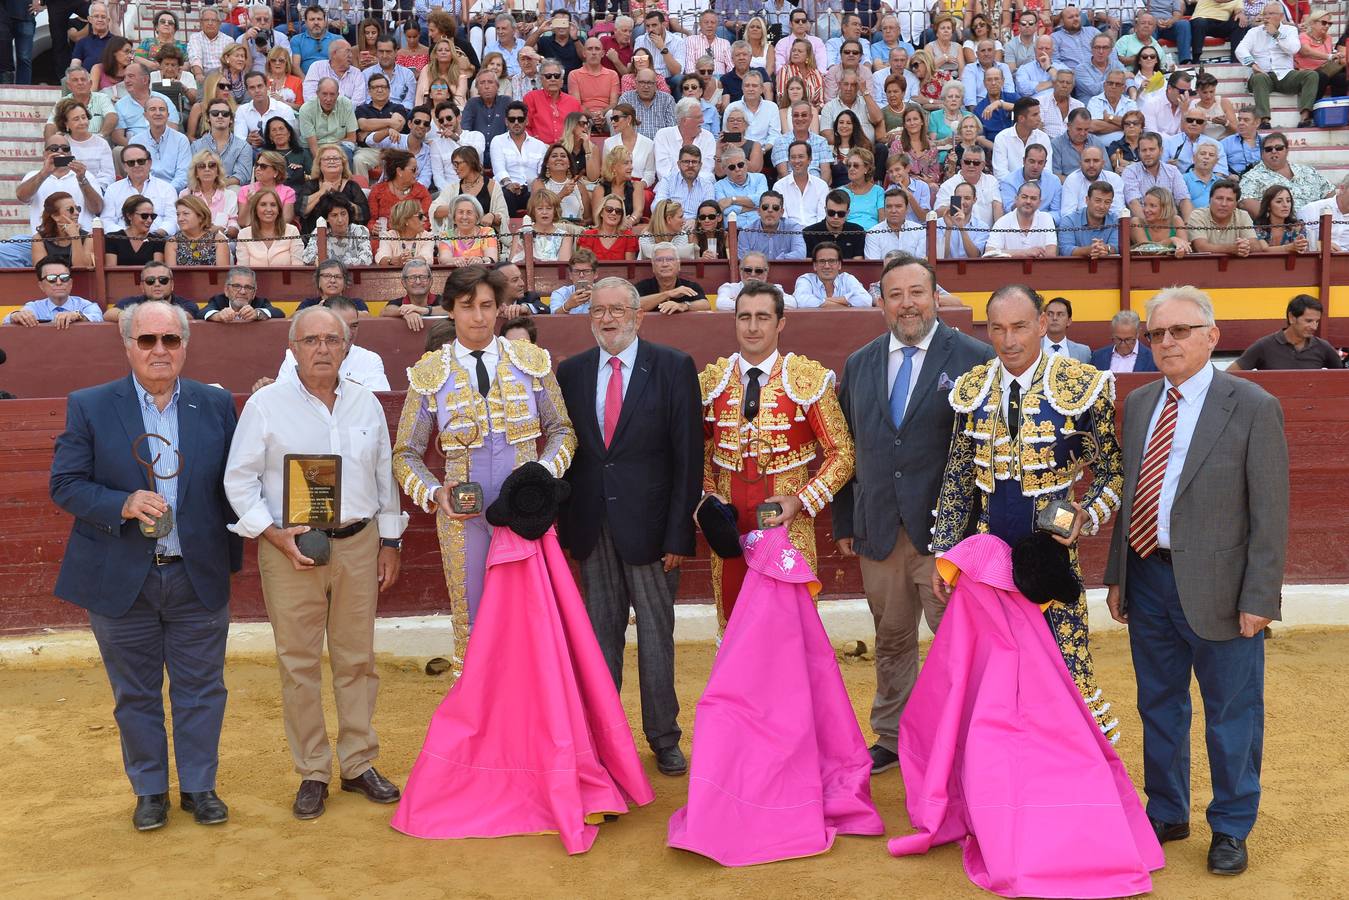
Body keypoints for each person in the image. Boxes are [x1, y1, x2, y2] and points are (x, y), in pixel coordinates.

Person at [1104, 286, 1289, 877]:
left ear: (1211, 336)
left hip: (1223, 589)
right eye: (1157, 334)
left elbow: (1270, 512)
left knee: (1232, 711)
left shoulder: (1252, 404)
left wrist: (1260, 596)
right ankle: (1168, 811)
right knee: (1158, 705)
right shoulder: (1138, 406)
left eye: (1179, 331)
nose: (1167, 343)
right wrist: (1119, 576)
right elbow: (1133, 493)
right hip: (1150, 579)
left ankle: (1231, 825)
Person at [49, 299, 238, 832]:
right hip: (120, 575)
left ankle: (199, 786)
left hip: (194, 572)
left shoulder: (215, 405)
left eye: (171, 341)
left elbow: (237, 482)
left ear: (185, 345)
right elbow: (64, 484)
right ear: (127, 345)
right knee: (134, 692)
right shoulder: (89, 404)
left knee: (202, 688)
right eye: (148, 341)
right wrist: (122, 503)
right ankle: (150, 790)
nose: (160, 351)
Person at [224, 304, 406, 821]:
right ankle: (313, 770)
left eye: (331, 339)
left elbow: (382, 474)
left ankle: (358, 762)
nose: (322, 348)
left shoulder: (366, 404)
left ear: (346, 348)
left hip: (356, 542)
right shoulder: (265, 405)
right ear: (293, 349)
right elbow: (238, 479)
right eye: (311, 340)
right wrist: (272, 534)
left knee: (357, 659)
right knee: (298, 663)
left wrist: (389, 541)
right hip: (292, 549)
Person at [932, 284, 1125, 742]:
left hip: (1051, 560)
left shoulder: (1082, 384)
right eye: (997, 328)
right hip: (987, 561)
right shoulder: (972, 389)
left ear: (1043, 324)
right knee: (992, 676)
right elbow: (958, 476)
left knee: (1064, 667)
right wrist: (943, 549)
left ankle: (1072, 777)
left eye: (1020, 326)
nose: (1009, 340)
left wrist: (1087, 514)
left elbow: (1114, 472)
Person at [832, 253, 990, 773]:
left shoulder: (973, 358)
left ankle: (959, 736)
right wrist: (845, 523)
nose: (906, 304)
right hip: (879, 530)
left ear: (935, 295)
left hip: (948, 536)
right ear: (880, 302)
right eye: (895, 294)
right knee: (891, 638)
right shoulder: (859, 363)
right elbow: (847, 449)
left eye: (916, 292)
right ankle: (893, 735)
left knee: (955, 644)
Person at [393, 266, 576, 679]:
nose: (478, 316)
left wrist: (541, 478)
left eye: (487, 306)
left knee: (532, 620)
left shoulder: (530, 361)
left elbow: (563, 431)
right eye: (467, 306)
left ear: (500, 309)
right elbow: (405, 454)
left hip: (527, 513)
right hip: (463, 520)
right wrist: (436, 493)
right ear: (450, 311)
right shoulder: (429, 373)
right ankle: (479, 727)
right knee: (472, 623)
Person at [555, 276, 703, 777]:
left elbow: (688, 458)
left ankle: (663, 737)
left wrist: (680, 535)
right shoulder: (570, 372)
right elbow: (569, 455)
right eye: (599, 310)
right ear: (589, 316)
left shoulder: (673, 366)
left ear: (638, 316)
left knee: (657, 636)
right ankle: (605, 737)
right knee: (600, 639)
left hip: (654, 529)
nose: (608, 317)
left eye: (619, 309)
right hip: (593, 527)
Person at [697, 279, 854, 628]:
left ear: (780, 323)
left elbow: (842, 453)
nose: (753, 327)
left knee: (790, 622)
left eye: (763, 317)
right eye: (744, 317)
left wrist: (800, 501)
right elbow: (696, 449)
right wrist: (707, 495)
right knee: (732, 618)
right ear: (734, 320)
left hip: (788, 521)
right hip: (729, 522)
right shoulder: (711, 382)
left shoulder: (806, 379)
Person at [1237, 3, 1318, 129]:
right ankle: (1264, 120)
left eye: (1271, 14)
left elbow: (1293, 49)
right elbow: (1240, 49)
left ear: (1281, 16)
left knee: (1311, 75)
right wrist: (1252, 64)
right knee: (1259, 77)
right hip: (1263, 74)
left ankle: (1305, 117)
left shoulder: (1290, 30)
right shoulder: (1254, 32)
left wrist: (1276, 34)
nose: (1267, 17)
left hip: (1285, 74)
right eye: (1265, 14)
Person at [16, 133, 104, 235]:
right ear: (45, 154)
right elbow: (22, 197)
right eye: (54, 149)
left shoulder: (86, 175)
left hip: (80, 238)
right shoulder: (33, 175)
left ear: (70, 152)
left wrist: (82, 179)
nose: (60, 151)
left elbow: (97, 208)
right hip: (44, 240)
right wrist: (44, 173)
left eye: (65, 148)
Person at [1229, 294, 1344, 370]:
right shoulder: (1264, 346)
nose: (1314, 327)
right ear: (1292, 318)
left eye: (1317, 321)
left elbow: (1343, 378)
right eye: (1309, 321)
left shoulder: (1323, 347)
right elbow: (1230, 374)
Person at [1238, 131, 1332, 217]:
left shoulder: (1308, 171)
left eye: (1279, 148)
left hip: (1317, 225)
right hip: (1282, 229)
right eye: (1268, 149)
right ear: (1262, 154)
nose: (1274, 151)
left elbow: (1330, 191)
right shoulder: (1252, 177)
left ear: (1287, 151)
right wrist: (1274, 223)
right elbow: (1245, 202)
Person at [3, 258, 102, 327]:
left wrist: (76, 315)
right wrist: (15, 315)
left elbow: (98, 317)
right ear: (41, 286)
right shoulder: (35, 307)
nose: (59, 283)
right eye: (51, 278)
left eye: (64, 277)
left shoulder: (84, 305)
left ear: (71, 283)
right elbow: (6, 321)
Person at [1123, 132, 1192, 221]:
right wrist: (1150, 228)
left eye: (1152, 149)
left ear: (1161, 150)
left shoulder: (1172, 171)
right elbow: (1133, 202)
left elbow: (1183, 200)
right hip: (1142, 225)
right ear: (1139, 152)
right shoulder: (1130, 171)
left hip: (1169, 224)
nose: (1148, 153)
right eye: (1144, 150)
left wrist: (1188, 227)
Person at [105, 261, 201, 324]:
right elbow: (109, 314)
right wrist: (122, 315)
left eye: (163, 280)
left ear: (172, 285)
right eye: (150, 280)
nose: (157, 284)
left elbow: (187, 316)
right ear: (142, 287)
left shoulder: (187, 304)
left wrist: (135, 316)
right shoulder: (133, 301)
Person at [985, 181, 1056, 258]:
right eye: (1024, 197)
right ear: (1016, 199)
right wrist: (1024, 253)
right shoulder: (1002, 222)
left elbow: (1051, 253)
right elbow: (989, 253)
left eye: (1033, 198)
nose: (1028, 201)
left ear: (1039, 203)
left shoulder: (1046, 218)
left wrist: (1008, 253)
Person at [792, 241, 872, 307]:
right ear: (815, 265)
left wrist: (823, 302)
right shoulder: (806, 279)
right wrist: (845, 302)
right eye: (822, 261)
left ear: (839, 265)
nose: (827, 266)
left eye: (832, 261)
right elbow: (801, 301)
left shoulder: (847, 278)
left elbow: (866, 300)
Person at [236, 189, 304, 267]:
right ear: (255, 209)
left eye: (273, 205)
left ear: (279, 210)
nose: (269, 209)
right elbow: (242, 271)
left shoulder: (292, 231)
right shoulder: (243, 234)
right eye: (263, 204)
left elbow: (297, 267)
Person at [992, 97, 1052, 179]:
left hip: (1038, 188)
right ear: (1021, 118)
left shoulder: (1043, 138)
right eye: (1035, 115)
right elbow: (1000, 174)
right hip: (1010, 188)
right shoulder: (1002, 138)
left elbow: (1047, 171)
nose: (1039, 119)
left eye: (1039, 114)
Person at [635, 243, 706, 313]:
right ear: (653, 266)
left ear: (679, 265)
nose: (665, 264)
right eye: (659, 260)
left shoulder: (690, 286)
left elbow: (706, 305)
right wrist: (668, 294)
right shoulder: (642, 286)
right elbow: (633, 306)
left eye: (670, 259)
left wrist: (683, 306)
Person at [1058, 181, 1122, 258]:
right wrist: (1089, 250)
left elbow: (1117, 246)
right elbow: (1065, 249)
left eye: (1107, 202)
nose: (1102, 206)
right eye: (1098, 201)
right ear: (1087, 200)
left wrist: (1105, 249)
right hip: (1075, 267)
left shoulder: (1115, 220)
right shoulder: (1069, 220)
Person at [31, 192, 93, 269]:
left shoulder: (89, 237)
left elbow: (82, 269)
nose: (77, 213)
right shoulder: (39, 238)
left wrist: (75, 237)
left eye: (77, 208)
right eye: (70, 209)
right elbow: (42, 271)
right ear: (55, 216)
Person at [202, 267, 284, 322]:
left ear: (254, 293)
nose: (243, 292)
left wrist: (258, 314)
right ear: (226, 290)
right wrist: (218, 316)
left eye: (248, 287)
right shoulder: (218, 300)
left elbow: (279, 313)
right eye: (237, 286)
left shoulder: (260, 303)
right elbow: (201, 313)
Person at [105, 194, 167, 267]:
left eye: (152, 216)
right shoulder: (113, 238)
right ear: (129, 216)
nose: (150, 220)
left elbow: (157, 271)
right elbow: (112, 271)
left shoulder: (157, 240)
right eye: (144, 216)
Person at [380, 259, 440, 332]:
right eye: (412, 278)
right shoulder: (398, 303)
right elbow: (385, 311)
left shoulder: (442, 300)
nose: (418, 282)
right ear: (403, 282)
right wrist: (405, 312)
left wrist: (423, 310)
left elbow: (450, 309)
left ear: (431, 281)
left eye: (423, 277)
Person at [804, 189, 867, 259]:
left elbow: (857, 263)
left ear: (847, 213)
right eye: (831, 213)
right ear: (825, 210)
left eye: (841, 214)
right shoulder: (809, 233)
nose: (836, 217)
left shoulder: (857, 232)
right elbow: (808, 264)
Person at [1090, 309, 1157, 373]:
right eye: (1118, 339)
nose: (1123, 344)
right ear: (1113, 333)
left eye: (1128, 340)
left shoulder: (1152, 359)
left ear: (1138, 334)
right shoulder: (1098, 357)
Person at [1041, 297, 1092, 361]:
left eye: (1060, 314)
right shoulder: (1033, 348)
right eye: (1050, 314)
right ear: (1043, 319)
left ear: (1069, 321)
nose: (1054, 318)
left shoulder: (1083, 352)